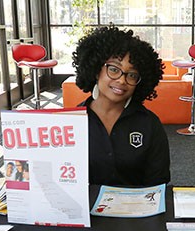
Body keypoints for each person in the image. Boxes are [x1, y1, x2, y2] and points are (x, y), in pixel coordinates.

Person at [73, 25, 170, 187]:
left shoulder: (150, 125)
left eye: (132, 75)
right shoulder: (71, 123)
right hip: (86, 211)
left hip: (137, 210)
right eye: (113, 69)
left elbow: (158, 182)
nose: (121, 80)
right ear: (97, 70)